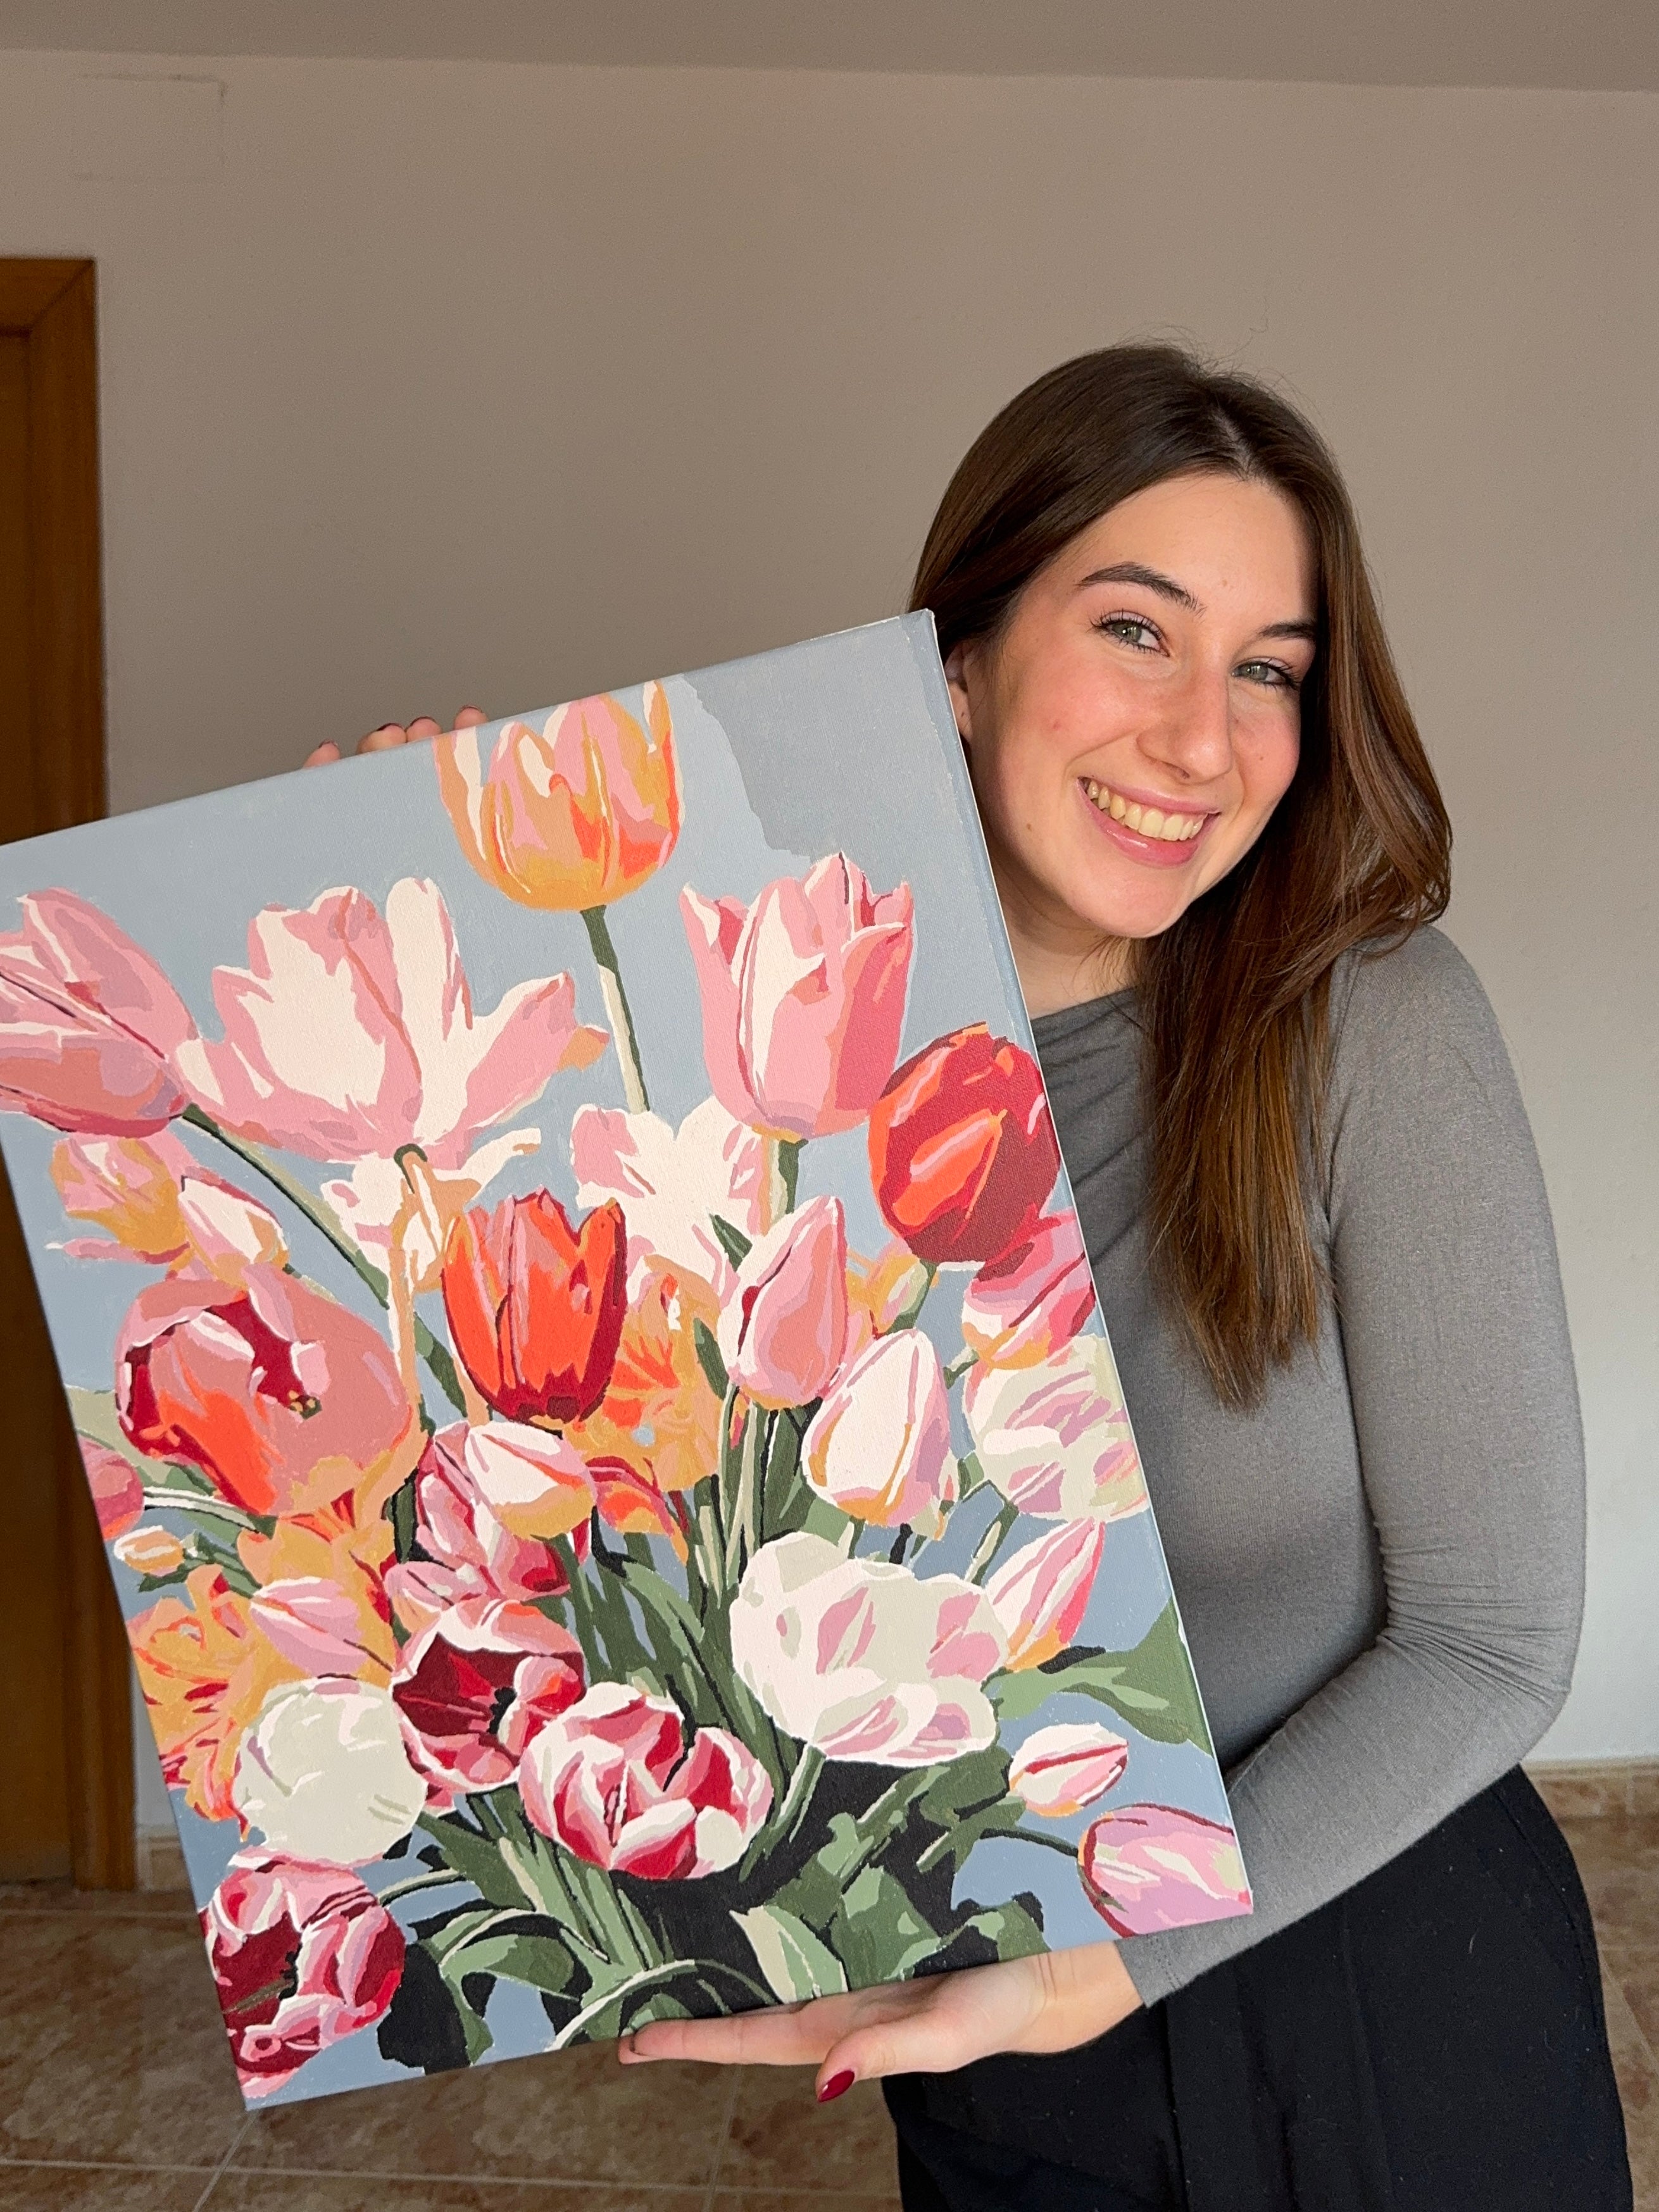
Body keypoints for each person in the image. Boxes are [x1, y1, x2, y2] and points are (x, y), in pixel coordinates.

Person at [313, 346, 1631, 2211]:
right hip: (997, 2019)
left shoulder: (1372, 1026)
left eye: (1269, 668)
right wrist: (383, 927)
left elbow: (1493, 1643)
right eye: (1137, 632)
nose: (1204, 739)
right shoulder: (769, 1051)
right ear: (956, 661)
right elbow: (561, 1501)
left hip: (1380, 1979)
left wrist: (1104, 1969)